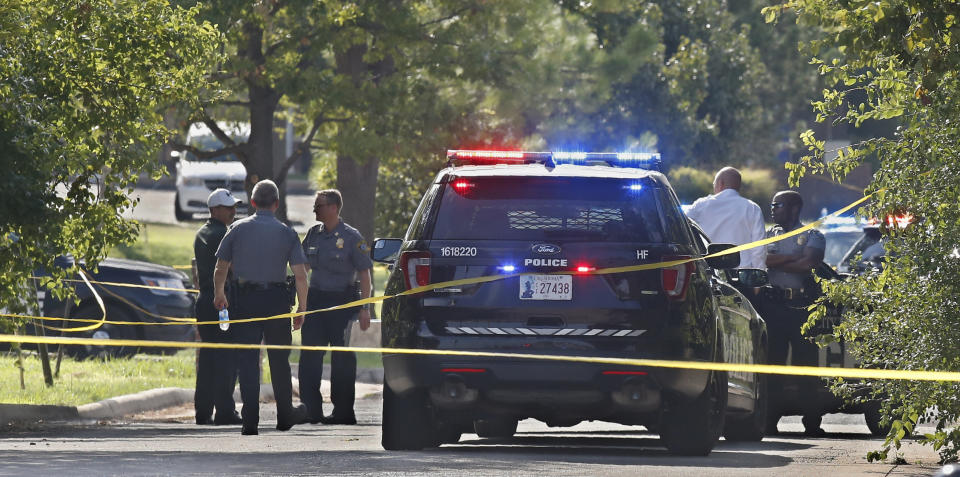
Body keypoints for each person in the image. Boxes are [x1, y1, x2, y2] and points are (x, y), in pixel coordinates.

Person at [213, 180, 309, 435]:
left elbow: (220, 267)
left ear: (253, 202)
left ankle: (250, 421)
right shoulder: (287, 233)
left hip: (245, 301)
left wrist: (219, 294)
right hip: (277, 301)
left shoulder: (236, 229)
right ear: (276, 204)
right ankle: (285, 414)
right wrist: (302, 308)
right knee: (279, 360)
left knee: (247, 361)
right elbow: (300, 275)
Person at [299, 189, 373, 425]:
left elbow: (364, 274)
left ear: (333, 208)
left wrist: (364, 308)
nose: (314, 210)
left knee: (342, 360)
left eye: (319, 206)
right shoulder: (313, 234)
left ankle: (343, 411)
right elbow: (302, 267)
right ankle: (311, 409)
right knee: (310, 357)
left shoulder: (352, 237)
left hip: (343, 302)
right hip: (316, 302)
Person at [763, 190, 827, 437]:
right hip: (774, 307)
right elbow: (760, 258)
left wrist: (776, 260)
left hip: (801, 308)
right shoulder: (767, 235)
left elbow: (808, 264)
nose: (772, 209)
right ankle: (769, 422)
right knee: (773, 366)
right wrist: (791, 257)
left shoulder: (813, 235)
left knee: (806, 367)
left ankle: (812, 423)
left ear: (793, 209)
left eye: (777, 205)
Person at [193, 189, 242, 426]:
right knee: (226, 357)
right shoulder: (224, 234)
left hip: (204, 300)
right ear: (215, 210)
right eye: (228, 207)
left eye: (233, 206)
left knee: (209, 356)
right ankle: (224, 410)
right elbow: (232, 268)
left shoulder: (201, 232)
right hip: (222, 301)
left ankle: (203, 411)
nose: (233, 211)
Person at [685, 167, 766, 268]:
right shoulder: (753, 208)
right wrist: (758, 274)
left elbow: (681, 225)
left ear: (720, 183)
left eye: (714, 184)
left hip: (710, 273)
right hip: (742, 274)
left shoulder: (701, 205)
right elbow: (759, 249)